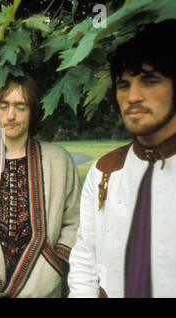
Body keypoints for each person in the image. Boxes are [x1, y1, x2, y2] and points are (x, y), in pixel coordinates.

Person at [68, 20, 176, 298]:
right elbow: (85, 259)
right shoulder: (104, 170)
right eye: (123, 85)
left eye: (150, 81)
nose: (133, 97)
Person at [0, 74, 81, 297]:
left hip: (44, 288)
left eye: (20, 107)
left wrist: (56, 262)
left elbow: (75, 220)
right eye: (4, 106)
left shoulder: (59, 160)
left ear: (33, 112)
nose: (11, 116)